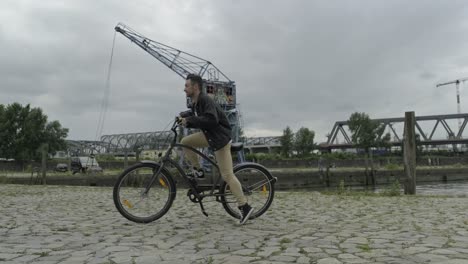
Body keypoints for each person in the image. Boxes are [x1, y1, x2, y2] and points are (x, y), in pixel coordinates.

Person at [177, 73, 254, 225]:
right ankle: (198, 171)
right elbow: (195, 114)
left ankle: (245, 207)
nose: (184, 89)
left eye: (187, 86)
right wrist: (183, 117)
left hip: (219, 138)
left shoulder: (206, 99)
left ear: (195, 87)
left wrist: (189, 121)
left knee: (227, 175)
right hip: (210, 135)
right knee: (185, 142)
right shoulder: (197, 102)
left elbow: (211, 119)